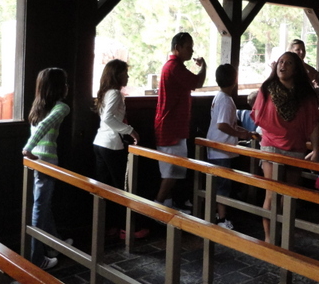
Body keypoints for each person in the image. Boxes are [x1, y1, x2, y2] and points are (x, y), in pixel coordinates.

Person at [252, 51, 319, 242]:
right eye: (281, 62)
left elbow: (313, 123)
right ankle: (269, 237)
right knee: (272, 194)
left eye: (288, 63)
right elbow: (257, 115)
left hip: (295, 147)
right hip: (271, 146)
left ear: (296, 68)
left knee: (288, 196)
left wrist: (316, 149)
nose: (282, 65)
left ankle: (283, 237)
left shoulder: (305, 95)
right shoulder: (267, 89)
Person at [23, 68, 73, 270]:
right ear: (59, 87)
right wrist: (28, 148)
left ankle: (54, 245)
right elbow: (44, 126)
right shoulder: (62, 108)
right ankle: (36, 259)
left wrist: (31, 150)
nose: (67, 86)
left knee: (44, 204)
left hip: (37, 160)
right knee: (40, 207)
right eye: (65, 82)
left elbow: (40, 125)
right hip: (46, 162)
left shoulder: (38, 107)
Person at [92, 59, 148, 240]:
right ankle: (127, 228)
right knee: (121, 188)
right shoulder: (115, 93)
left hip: (100, 143)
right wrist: (130, 130)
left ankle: (110, 226)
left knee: (105, 189)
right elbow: (108, 118)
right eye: (125, 73)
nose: (128, 76)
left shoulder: (106, 92)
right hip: (111, 145)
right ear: (117, 75)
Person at [153, 32, 206, 208]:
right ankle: (158, 206)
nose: (191, 51)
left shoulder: (171, 66)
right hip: (171, 128)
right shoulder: (175, 67)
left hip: (170, 126)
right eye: (188, 47)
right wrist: (204, 67)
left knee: (171, 171)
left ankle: (166, 205)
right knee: (172, 171)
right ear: (177, 48)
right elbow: (198, 82)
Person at [206, 64, 251, 230]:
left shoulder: (220, 96)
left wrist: (241, 130)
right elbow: (222, 125)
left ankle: (217, 215)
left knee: (219, 184)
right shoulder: (226, 100)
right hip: (221, 150)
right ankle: (222, 218)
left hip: (217, 147)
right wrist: (239, 134)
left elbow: (226, 123)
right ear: (235, 79)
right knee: (223, 185)